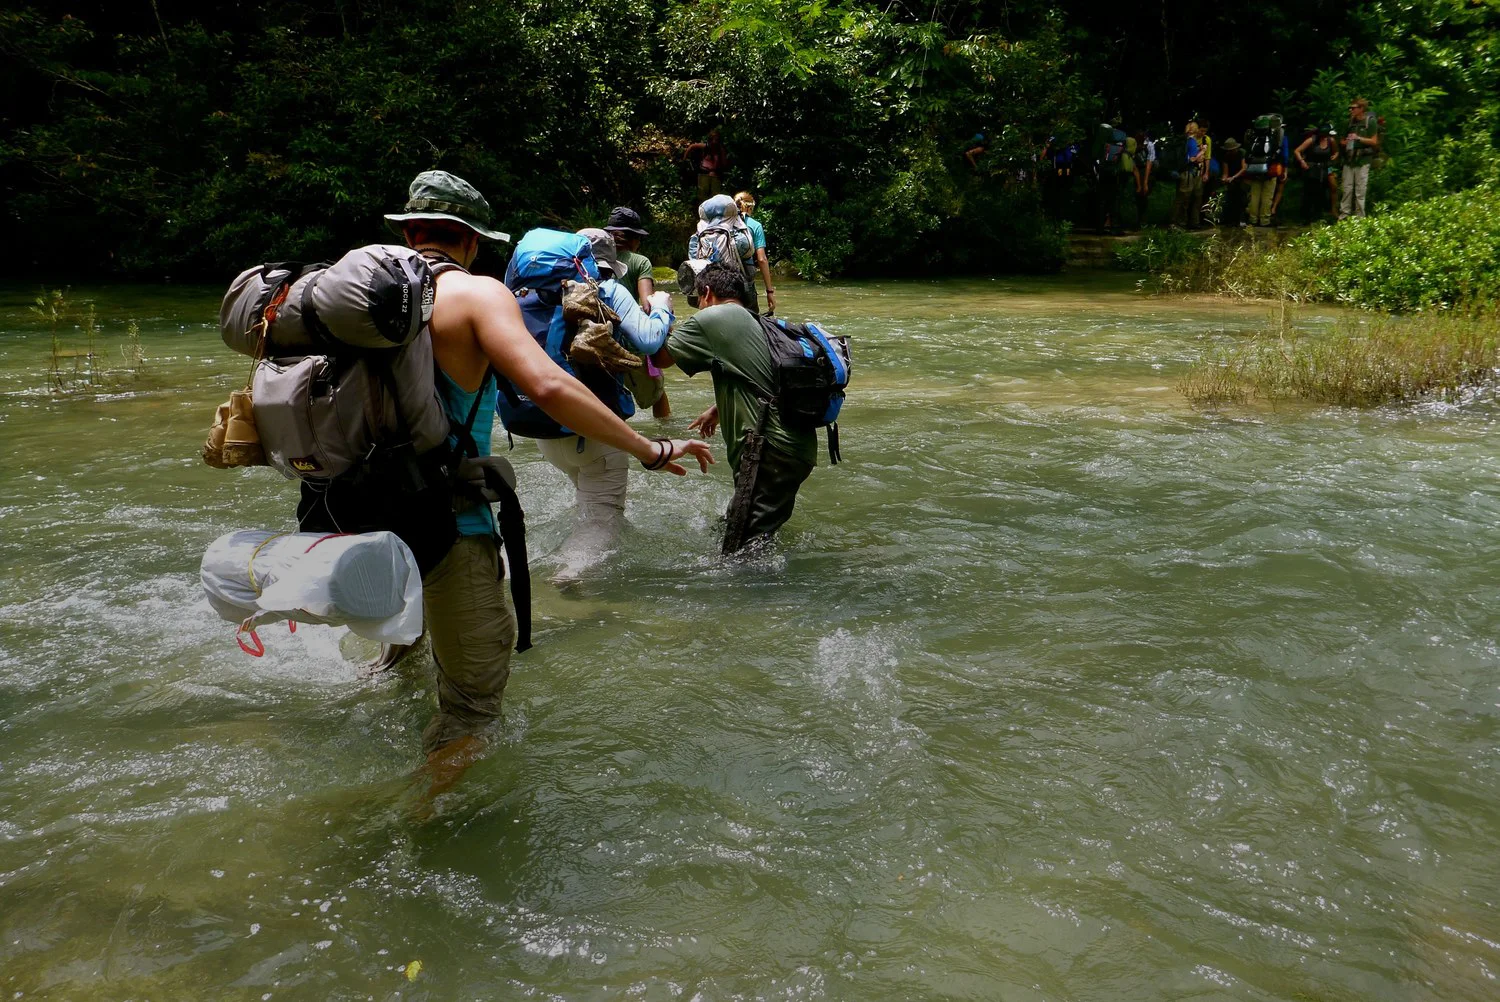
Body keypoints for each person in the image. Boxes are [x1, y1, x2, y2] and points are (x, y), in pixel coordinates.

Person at [327, 171, 712, 787]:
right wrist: (651, 447)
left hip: (345, 510)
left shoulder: (350, 293)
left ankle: (384, 673)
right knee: (472, 712)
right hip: (446, 517)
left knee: (399, 652)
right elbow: (549, 385)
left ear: (407, 228)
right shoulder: (475, 296)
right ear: (473, 242)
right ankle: (413, 827)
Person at [525, 227, 680, 582]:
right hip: (598, 431)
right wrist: (661, 309)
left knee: (587, 503)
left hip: (546, 430)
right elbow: (649, 341)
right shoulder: (607, 290)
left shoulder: (535, 295)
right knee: (602, 518)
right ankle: (571, 573)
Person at [652, 262, 818, 554]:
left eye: (698, 301)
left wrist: (659, 310)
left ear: (707, 293)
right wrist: (718, 408)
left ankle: (759, 597)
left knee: (741, 555)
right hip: (793, 448)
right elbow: (765, 376)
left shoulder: (714, 317)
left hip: (769, 451)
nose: (699, 308)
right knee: (745, 532)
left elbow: (659, 357)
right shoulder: (756, 321)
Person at [733, 191, 777, 315]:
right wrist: (769, 292)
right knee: (751, 318)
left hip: (723, 275)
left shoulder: (724, 224)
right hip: (746, 276)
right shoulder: (755, 225)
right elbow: (762, 259)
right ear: (750, 207)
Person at [1340, 97, 1380, 219]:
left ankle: (1359, 218)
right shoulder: (1349, 122)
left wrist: (1358, 138)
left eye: (1353, 108)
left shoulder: (1370, 122)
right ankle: (1344, 215)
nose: (1351, 110)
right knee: (1347, 188)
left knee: (1360, 190)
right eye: (1350, 108)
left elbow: (1374, 141)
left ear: (1361, 109)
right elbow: (1341, 141)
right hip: (1349, 159)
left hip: (1363, 160)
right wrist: (1347, 141)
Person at [1293, 124, 1340, 223]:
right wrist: (1302, 161)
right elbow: (1297, 151)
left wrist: (1334, 157)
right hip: (1312, 169)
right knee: (1309, 192)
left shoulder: (1331, 141)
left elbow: (1336, 152)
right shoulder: (1311, 140)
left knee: (1323, 191)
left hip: (1324, 169)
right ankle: (1305, 217)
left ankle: (1320, 214)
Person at [1171, 120, 1204, 229]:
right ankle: (1178, 223)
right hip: (1187, 173)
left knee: (1179, 198)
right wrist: (1202, 151)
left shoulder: (1183, 140)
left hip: (1180, 172)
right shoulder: (1192, 141)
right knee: (1184, 199)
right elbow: (1192, 159)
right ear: (1196, 130)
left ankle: (1176, 222)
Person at [686, 129, 730, 198]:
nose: (714, 142)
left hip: (715, 174)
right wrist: (685, 158)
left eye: (716, 140)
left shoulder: (720, 150)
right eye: (713, 139)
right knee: (702, 194)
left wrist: (717, 171)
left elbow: (724, 164)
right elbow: (692, 146)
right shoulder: (705, 147)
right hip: (703, 172)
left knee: (715, 196)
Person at [1217, 137, 1247, 227]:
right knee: (1230, 198)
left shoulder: (1241, 153)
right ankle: (1231, 220)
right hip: (1232, 179)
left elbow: (1244, 168)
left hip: (1241, 178)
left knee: (1242, 199)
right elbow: (1225, 172)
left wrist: (1234, 177)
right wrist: (1224, 178)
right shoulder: (1226, 156)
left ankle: (1242, 219)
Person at [1131, 130, 1154, 229]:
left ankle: (1143, 220)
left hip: (1147, 171)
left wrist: (1145, 183)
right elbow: (1134, 167)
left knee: (1144, 196)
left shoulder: (1149, 145)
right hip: (1137, 171)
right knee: (1138, 196)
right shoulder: (1133, 146)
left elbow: (1149, 163)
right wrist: (1139, 185)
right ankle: (1138, 221)